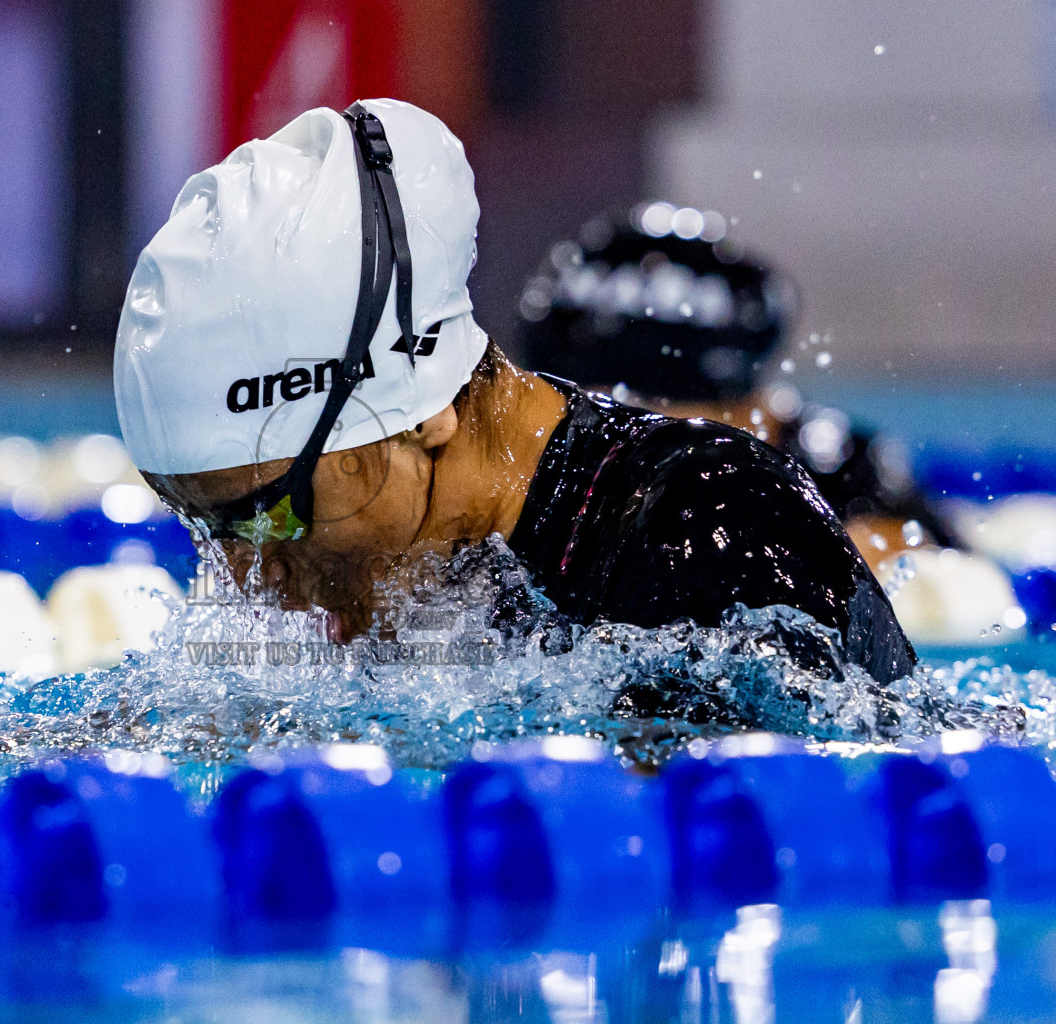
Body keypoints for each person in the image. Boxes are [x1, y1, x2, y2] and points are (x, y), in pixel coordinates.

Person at [115, 100, 916, 685]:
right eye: (200, 523)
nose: (248, 575)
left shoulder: (710, 530)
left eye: (265, 509)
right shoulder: (420, 562)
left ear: (419, 409)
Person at [517, 208, 958, 565]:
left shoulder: (838, 477)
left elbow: (943, 589)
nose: (626, 443)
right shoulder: (519, 468)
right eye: (601, 413)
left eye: (660, 417)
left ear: (755, 411)